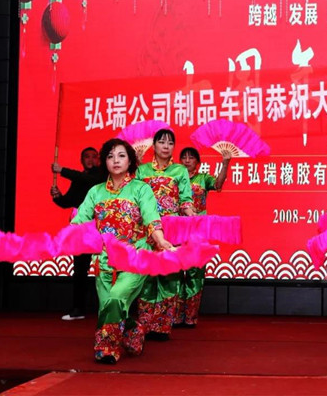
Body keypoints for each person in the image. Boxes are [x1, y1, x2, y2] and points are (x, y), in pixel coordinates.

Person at [71, 138, 173, 364]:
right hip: (104, 260)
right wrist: (64, 239)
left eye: (121, 155)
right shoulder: (96, 192)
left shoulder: (141, 189)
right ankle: (133, 328)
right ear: (104, 162)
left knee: (117, 298)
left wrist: (160, 239)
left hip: (135, 257)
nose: (115, 160)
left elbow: (151, 217)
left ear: (130, 161)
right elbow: (80, 220)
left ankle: (106, 348)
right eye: (110, 156)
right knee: (107, 306)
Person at [136, 129, 194, 341]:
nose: (166, 146)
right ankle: (144, 324)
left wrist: (192, 216)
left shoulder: (180, 170)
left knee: (169, 277)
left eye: (170, 143)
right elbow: (135, 198)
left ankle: (162, 326)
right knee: (146, 277)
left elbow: (185, 200)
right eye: (162, 142)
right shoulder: (141, 171)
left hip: (171, 229)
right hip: (147, 229)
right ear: (154, 145)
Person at [174, 147, 231, 327]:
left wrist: (225, 163)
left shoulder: (203, 179)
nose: (187, 160)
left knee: (195, 274)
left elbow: (218, 184)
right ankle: (175, 316)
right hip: (177, 230)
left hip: (198, 232)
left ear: (197, 162)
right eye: (184, 157)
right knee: (175, 274)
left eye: (191, 157)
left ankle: (190, 317)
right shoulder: (174, 179)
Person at [50, 147, 102, 320]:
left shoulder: (101, 176)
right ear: (81, 160)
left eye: (94, 156)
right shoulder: (79, 178)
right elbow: (69, 201)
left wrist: (62, 170)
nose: (90, 160)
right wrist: (58, 197)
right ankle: (78, 308)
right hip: (82, 230)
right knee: (79, 269)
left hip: (101, 227)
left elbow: (88, 179)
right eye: (87, 157)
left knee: (108, 268)